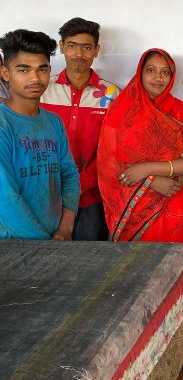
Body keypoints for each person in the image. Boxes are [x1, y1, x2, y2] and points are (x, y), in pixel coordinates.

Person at [98, 49, 183, 242]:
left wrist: (147, 169)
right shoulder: (120, 111)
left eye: (165, 72)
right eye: (151, 70)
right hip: (132, 196)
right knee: (131, 264)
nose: (158, 78)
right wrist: (151, 181)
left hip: (173, 194)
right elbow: (108, 161)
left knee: (171, 261)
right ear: (140, 73)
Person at [41, 18, 120, 241]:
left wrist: (83, 184)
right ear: (62, 46)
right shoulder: (44, 90)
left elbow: (113, 149)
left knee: (90, 260)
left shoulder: (111, 94)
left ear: (96, 51)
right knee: (47, 259)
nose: (78, 54)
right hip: (49, 193)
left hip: (92, 196)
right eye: (72, 46)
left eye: (86, 47)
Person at [0, 30, 80, 240]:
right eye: (23, 70)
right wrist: (47, 245)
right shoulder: (3, 124)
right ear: (5, 73)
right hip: (12, 243)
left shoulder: (54, 121)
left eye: (41, 69)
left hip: (56, 237)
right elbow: (5, 200)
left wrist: (65, 228)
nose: (35, 78)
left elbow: (69, 174)